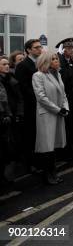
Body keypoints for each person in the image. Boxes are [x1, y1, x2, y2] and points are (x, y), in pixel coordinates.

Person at [32, 51, 69, 185]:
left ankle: (53, 172)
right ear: (46, 61)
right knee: (47, 146)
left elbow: (63, 94)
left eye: (56, 59)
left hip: (58, 113)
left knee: (54, 145)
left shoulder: (57, 74)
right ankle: (48, 174)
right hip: (47, 114)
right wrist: (58, 109)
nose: (56, 61)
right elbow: (41, 97)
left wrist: (65, 108)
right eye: (53, 59)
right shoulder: (38, 75)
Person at [15, 39, 43, 171]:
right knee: (31, 136)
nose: (40, 49)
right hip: (31, 105)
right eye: (36, 47)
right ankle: (31, 164)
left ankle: (39, 160)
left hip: (42, 104)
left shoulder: (41, 63)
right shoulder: (23, 65)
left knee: (40, 135)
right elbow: (24, 87)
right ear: (29, 50)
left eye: (40, 47)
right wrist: (39, 97)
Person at [0, 56, 22, 184]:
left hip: (13, 115)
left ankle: (8, 174)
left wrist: (19, 113)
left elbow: (19, 98)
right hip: (4, 116)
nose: (7, 66)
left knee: (11, 146)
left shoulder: (12, 79)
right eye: (3, 64)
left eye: (8, 64)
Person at [58, 41, 73, 158]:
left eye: (72, 48)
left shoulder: (72, 61)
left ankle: (72, 150)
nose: (71, 50)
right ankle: (66, 152)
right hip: (65, 97)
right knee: (66, 126)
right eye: (69, 48)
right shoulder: (61, 61)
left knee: (72, 127)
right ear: (63, 49)